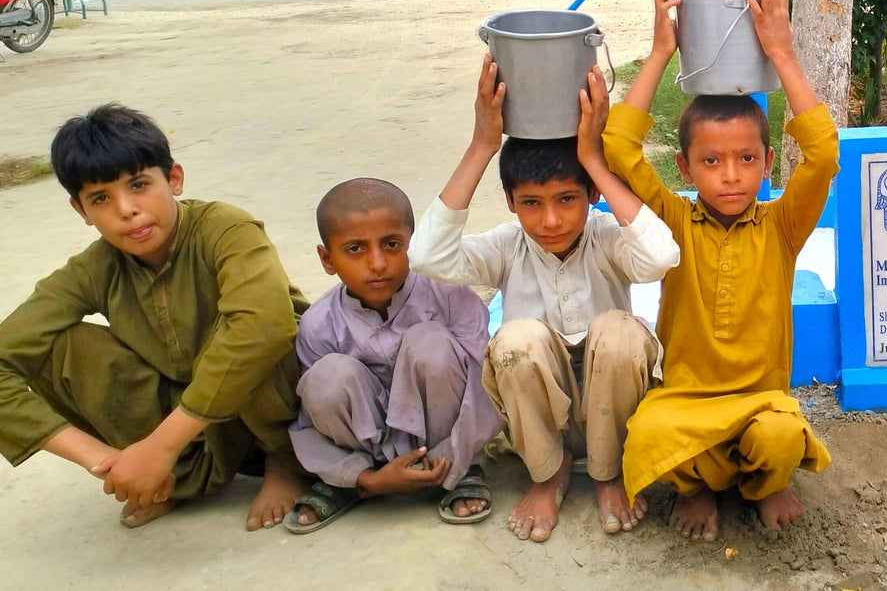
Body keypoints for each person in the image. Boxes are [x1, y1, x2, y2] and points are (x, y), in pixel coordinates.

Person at [601, 0, 839, 542]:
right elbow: (619, 148)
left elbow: (823, 152)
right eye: (711, 160)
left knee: (781, 437)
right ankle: (698, 489)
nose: (730, 175)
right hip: (689, 399)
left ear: (767, 163)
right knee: (650, 431)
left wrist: (780, 49)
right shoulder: (673, 220)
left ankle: (764, 487)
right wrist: (661, 50)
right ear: (684, 169)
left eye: (745, 159)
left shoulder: (782, 226)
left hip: (761, 402)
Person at [408, 56, 680, 543]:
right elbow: (427, 255)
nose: (551, 220)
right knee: (516, 338)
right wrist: (482, 144)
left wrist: (594, 159)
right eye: (532, 203)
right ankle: (547, 475)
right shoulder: (506, 246)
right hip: (538, 423)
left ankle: (607, 473)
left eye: (567, 199)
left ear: (591, 195)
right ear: (511, 202)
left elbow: (661, 255)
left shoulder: (606, 238)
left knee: (619, 330)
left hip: (614, 414)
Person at [0, 104, 309, 531]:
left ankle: (285, 464)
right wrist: (109, 461)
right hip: (198, 430)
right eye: (101, 198)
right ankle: (171, 481)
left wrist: (160, 447)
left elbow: (265, 325)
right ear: (81, 211)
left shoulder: (224, 229)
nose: (126, 209)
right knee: (59, 345)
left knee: (252, 326)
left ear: (174, 179)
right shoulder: (93, 269)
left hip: (280, 412)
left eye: (139, 184)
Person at [285, 178, 504, 533]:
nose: (377, 263)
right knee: (326, 377)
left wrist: (449, 453)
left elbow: (487, 387)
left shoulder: (448, 294)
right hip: (365, 455)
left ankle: (458, 469)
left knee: (430, 342)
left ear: (413, 245)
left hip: (448, 446)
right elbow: (312, 419)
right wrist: (367, 478)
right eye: (355, 248)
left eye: (391, 244)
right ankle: (357, 481)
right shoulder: (319, 324)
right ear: (327, 259)